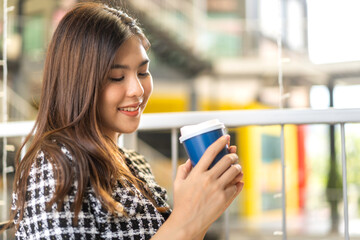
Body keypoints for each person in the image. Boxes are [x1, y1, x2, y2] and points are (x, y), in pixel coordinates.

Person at [8, 2, 244, 239]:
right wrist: (186, 216)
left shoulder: (135, 163)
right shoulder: (55, 170)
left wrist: (203, 208)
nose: (138, 90)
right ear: (77, 84)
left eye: (143, 72)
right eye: (116, 77)